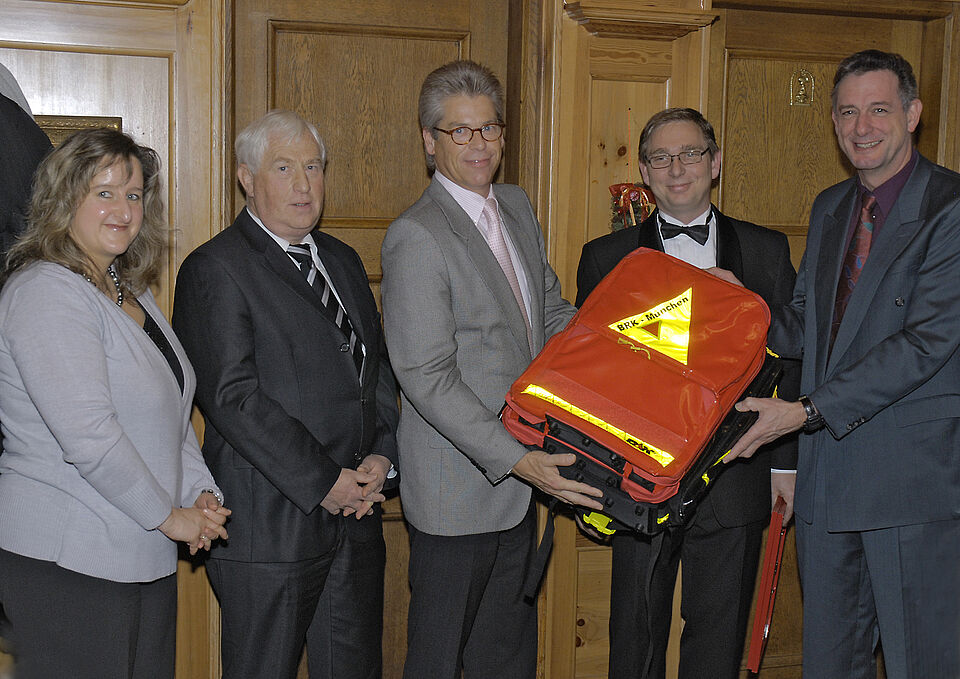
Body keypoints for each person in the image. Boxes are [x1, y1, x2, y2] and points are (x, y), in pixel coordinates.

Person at [727, 50, 960, 678]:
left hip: (915, 486)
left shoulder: (951, 206)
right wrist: (736, 311)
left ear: (913, 114)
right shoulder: (831, 206)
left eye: (878, 109)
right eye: (848, 112)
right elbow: (809, 322)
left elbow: (926, 343)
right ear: (833, 122)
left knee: (926, 664)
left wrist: (805, 412)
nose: (862, 127)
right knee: (829, 665)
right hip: (829, 484)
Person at [380, 59, 603, 679]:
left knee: (504, 660)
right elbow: (426, 375)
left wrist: (625, 341)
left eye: (489, 128)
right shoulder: (415, 236)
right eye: (460, 131)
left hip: (522, 485)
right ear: (430, 142)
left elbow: (549, 311)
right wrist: (516, 457)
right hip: (459, 493)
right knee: (440, 660)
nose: (479, 144)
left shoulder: (516, 205)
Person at [172, 110, 399, 679]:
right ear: (246, 178)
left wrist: (382, 456)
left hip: (358, 518)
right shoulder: (214, 268)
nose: (304, 184)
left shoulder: (343, 260)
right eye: (284, 168)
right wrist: (325, 482)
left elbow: (376, 370)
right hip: (270, 530)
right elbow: (233, 398)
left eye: (314, 167)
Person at [575, 107, 799, 679]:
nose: (677, 169)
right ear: (644, 172)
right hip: (637, 481)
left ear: (715, 163)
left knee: (718, 646)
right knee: (634, 641)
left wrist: (785, 467)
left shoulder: (767, 251)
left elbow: (793, 361)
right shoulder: (605, 257)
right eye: (661, 158)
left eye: (691, 154)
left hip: (736, 473)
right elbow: (588, 379)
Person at [0, 127, 229, 679]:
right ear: (63, 200)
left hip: (139, 554)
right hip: (67, 563)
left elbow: (172, 413)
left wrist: (198, 494)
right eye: (104, 193)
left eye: (133, 194)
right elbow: (90, 438)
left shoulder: (130, 290)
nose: (124, 211)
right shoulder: (46, 292)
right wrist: (169, 517)